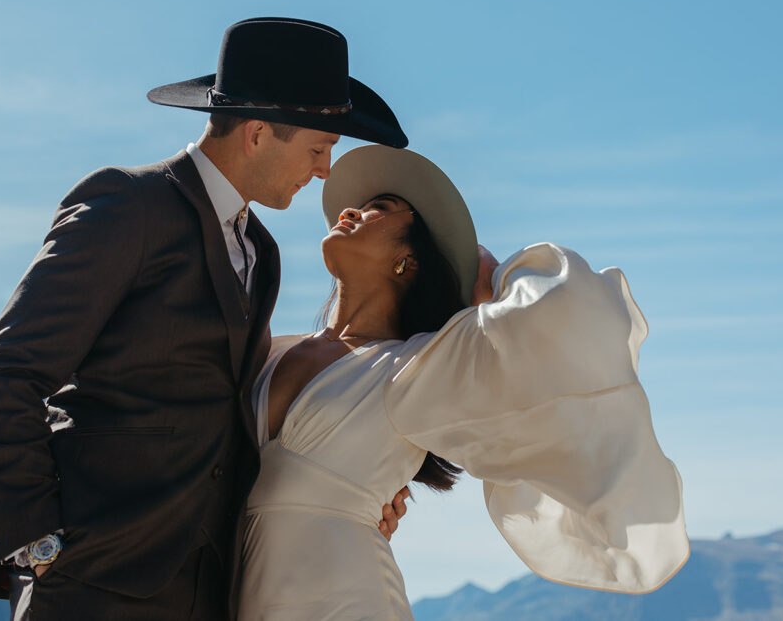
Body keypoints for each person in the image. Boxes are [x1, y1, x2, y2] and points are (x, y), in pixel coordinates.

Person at [0, 17, 413, 620]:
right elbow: (5, 377)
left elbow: (234, 413)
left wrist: (355, 487)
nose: (326, 170)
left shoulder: (265, 252)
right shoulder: (127, 205)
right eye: (318, 148)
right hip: (89, 583)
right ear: (257, 134)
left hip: (212, 589)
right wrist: (35, 543)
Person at [239, 145, 690, 619]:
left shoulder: (417, 368)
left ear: (410, 260)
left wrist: (486, 273)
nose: (351, 210)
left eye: (380, 209)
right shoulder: (267, 350)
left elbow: (568, 309)